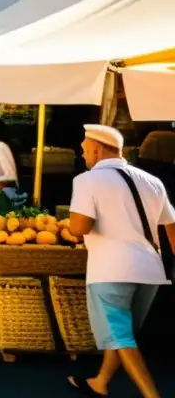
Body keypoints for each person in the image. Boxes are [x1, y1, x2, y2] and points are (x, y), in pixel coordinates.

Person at [66, 125, 175, 398]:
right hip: (150, 271)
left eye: (83, 148)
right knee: (124, 335)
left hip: (111, 269)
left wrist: (68, 228)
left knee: (120, 337)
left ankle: (152, 395)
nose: (82, 154)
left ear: (97, 148)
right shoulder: (152, 181)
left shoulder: (87, 180)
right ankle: (101, 381)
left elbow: (79, 227)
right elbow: (172, 227)